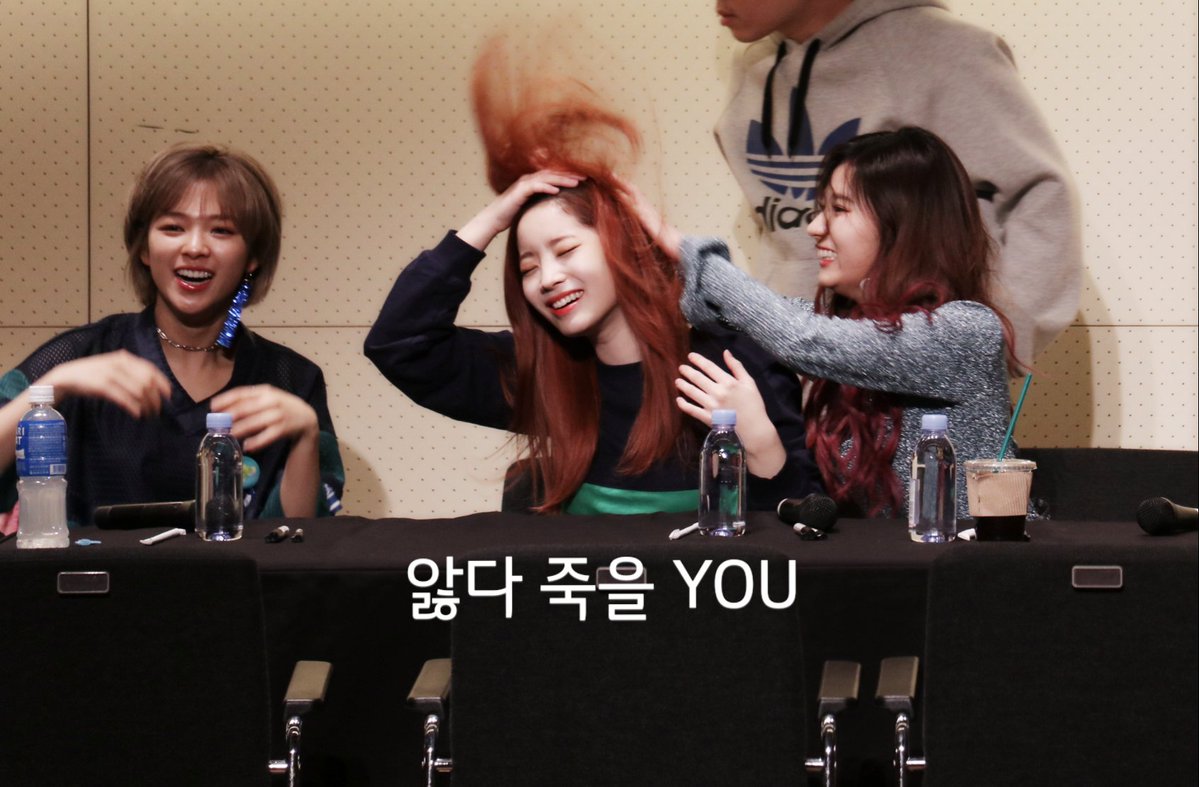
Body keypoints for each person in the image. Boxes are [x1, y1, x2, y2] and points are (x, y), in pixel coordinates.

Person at [364, 46, 820, 515]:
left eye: (565, 251)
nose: (548, 278)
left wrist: (760, 443)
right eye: (528, 268)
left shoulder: (731, 362)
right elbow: (399, 344)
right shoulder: (546, 375)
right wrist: (493, 219)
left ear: (624, 247)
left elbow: (807, 523)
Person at [638, 127, 1013, 517]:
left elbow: (802, 339)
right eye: (821, 209)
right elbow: (732, 315)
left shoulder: (969, 331)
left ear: (904, 223)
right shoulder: (842, 327)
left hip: (985, 554)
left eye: (839, 209)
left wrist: (682, 247)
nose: (815, 227)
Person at [712, 0, 1081, 364]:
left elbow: (1040, 197)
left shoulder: (944, 51)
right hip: (784, 360)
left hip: (903, 379)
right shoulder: (754, 65)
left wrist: (988, 349)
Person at [0, 144, 344, 527]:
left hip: (241, 569)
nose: (194, 247)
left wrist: (305, 436)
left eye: (221, 230)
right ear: (144, 249)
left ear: (253, 256)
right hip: (97, 568)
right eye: (173, 228)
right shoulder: (78, 356)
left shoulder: (293, 379)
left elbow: (303, 538)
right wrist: (55, 386)